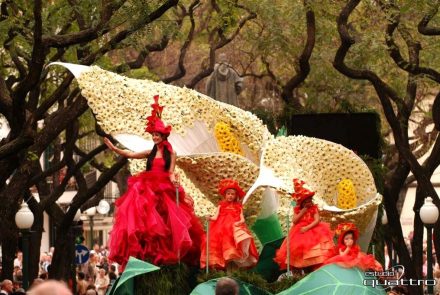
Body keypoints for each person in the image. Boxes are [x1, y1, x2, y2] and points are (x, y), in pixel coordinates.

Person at [105, 95, 204, 271]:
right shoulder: (149, 152)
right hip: (148, 187)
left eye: (157, 135)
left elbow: (172, 172)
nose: (155, 137)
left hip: (164, 187)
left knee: (166, 222)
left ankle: (167, 258)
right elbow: (130, 154)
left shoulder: (171, 153)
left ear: (163, 136)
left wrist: (174, 182)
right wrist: (114, 149)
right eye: (153, 135)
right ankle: (147, 256)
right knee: (144, 222)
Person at [274, 179, 334, 271]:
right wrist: (302, 212)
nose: (308, 203)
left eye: (309, 201)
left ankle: (313, 267)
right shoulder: (298, 209)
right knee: (298, 250)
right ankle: (301, 268)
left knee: (315, 249)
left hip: (313, 228)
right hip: (299, 231)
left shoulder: (314, 208)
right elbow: (295, 221)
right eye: (306, 202)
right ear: (302, 203)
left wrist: (307, 227)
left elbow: (317, 220)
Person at [200, 179, 259, 270]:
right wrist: (209, 218)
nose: (230, 196)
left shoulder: (238, 206)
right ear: (225, 195)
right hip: (221, 230)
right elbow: (215, 217)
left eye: (232, 194)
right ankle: (226, 269)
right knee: (222, 247)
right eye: (228, 194)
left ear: (235, 196)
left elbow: (242, 219)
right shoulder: (221, 205)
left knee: (234, 249)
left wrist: (238, 223)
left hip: (233, 229)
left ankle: (233, 270)